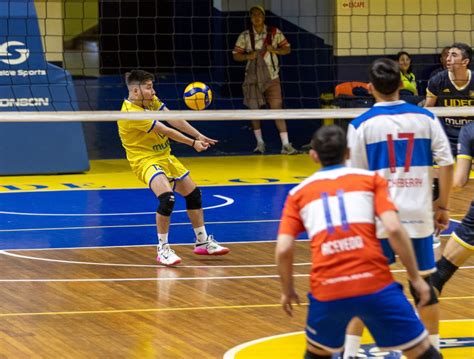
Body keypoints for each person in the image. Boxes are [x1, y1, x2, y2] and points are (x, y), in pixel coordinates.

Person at [276, 125, 441, 359]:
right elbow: (394, 228)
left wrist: (288, 290)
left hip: (328, 289)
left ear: (313, 156)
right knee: (423, 353)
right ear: (348, 153)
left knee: (316, 353)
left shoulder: (298, 194)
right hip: (375, 285)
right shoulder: (371, 180)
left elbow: (283, 249)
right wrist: (416, 278)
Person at [345, 58, 454, 357]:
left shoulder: (361, 124)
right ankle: (431, 350)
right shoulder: (426, 118)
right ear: (401, 86)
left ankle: (350, 353)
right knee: (424, 285)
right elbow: (446, 163)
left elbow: (355, 180)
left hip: (378, 218)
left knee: (366, 286)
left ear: (369, 88)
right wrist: (442, 205)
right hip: (418, 216)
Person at [118, 70, 230, 266]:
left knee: (194, 194)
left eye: (152, 86)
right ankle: (163, 249)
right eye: (149, 87)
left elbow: (173, 118)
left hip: (165, 157)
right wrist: (192, 143)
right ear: (135, 91)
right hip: (144, 160)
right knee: (167, 199)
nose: (153, 91)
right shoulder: (131, 113)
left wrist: (199, 135)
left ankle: (202, 241)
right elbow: (166, 130)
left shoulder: (149, 101)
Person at [232, 5, 297, 155]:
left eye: (259, 14)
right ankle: (260, 143)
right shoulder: (245, 36)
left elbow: (287, 48)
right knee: (254, 110)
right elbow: (236, 54)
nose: (256, 17)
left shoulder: (274, 32)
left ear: (263, 16)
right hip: (253, 79)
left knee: (277, 109)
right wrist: (248, 56)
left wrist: (275, 50)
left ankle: (286, 145)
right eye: (253, 15)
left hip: (272, 77)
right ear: (250, 18)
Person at [431, 121, 474, 294]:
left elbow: (459, 181)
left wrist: (426, 173)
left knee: (439, 275)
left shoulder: (470, 130)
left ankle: (421, 319)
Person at [425, 42, 474, 157]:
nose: (448, 58)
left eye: (454, 55)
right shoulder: (437, 80)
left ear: (465, 62)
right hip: (447, 137)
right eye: (447, 55)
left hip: (471, 134)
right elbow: (428, 110)